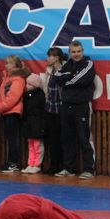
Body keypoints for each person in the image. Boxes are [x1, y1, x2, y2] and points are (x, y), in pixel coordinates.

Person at [52, 40, 97, 180]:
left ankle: (89, 169)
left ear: (82, 51)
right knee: (67, 138)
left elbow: (82, 80)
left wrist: (67, 81)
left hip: (82, 105)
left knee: (85, 138)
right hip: (66, 106)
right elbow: (56, 77)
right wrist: (70, 78)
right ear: (70, 52)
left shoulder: (88, 64)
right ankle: (69, 168)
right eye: (73, 52)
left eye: (78, 51)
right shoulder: (66, 65)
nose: (76, 54)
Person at [0, 55, 28, 173]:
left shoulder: (18, 79)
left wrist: (0, 107)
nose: (5, 65)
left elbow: (13, 98)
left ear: (14, 65)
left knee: (13, 139)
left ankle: (14, 163)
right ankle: (10, 162)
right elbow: (1, 94)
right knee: (10, 138)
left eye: (8, 63)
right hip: (6, 112)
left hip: (13, 112)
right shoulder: (7, 78)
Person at [42, 47, 65, 175]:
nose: (48, 59)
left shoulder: (64, 70)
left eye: (50, 56)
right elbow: (47, 87)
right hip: (50, 107)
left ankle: (62, 165)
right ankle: (53, 164)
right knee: (52, 138)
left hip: (60, 108)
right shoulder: (49, 70)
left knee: (61, 138)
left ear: (56, 58)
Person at [21, 72, 47, 174]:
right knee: (30, 144)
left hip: (37, 123)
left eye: (29, 84)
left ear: (35, 85)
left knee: (37, 145)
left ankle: (37, 164)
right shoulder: (26, 96)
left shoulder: (40, 95)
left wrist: (42, 126)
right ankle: (30, 163)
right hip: (29, 123)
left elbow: (42, 112)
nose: (27, 86)